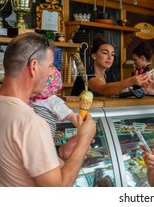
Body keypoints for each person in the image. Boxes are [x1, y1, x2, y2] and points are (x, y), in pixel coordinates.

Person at [0, 32, 96, 186]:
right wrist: (84, 141)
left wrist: (61, 153)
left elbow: (19, 164)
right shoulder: (31, 123)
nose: (52, 72)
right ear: (34, 67)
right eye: (50, 66)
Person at [71, 37, 149, 97]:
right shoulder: (87, 73)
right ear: (94, 56)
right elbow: (103, 89)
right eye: (105, 53)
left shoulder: (109, 76)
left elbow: (114, 94)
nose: (110, 57)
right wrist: (131, 81)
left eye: (112, 54)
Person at [30, 66, 79, 137]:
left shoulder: (53, 101)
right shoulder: (28, 98)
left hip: (45, 136)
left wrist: (82, 130)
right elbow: (72, 117)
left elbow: (72, 116)